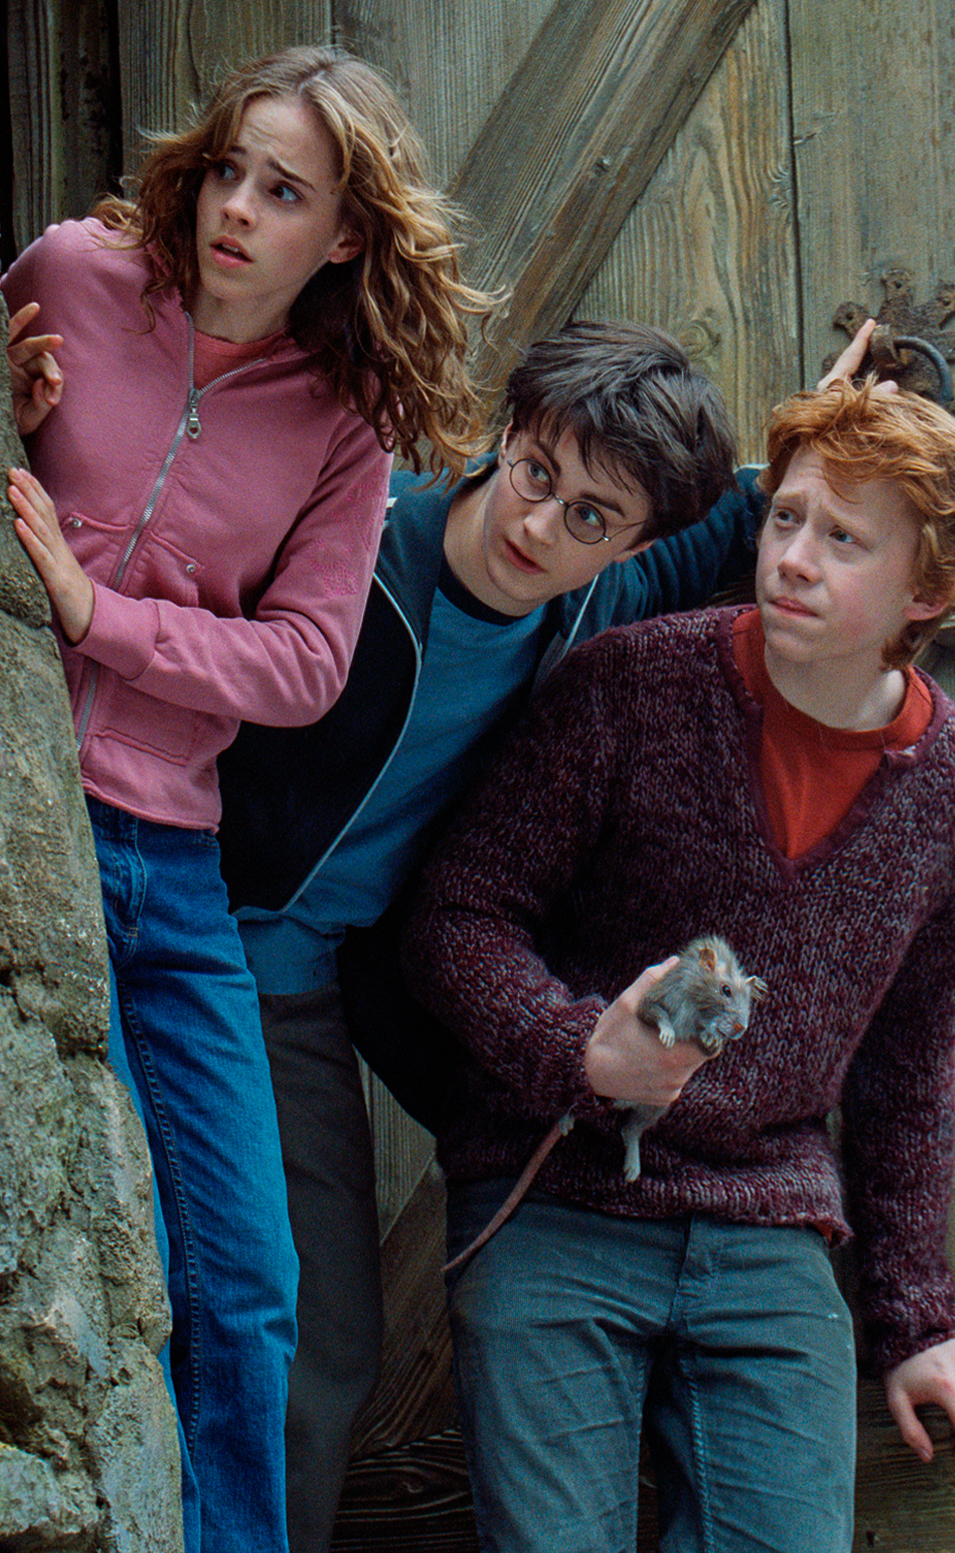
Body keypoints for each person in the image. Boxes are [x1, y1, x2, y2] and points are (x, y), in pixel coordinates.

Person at [401, 374, 955, 1552]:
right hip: (556, 1200)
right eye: (786, 516)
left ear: (927, 592)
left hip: (769, 1229)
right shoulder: (628, 687)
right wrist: (575, 1048)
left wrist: (917, 1316)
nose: (793, 554)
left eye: (844, 539)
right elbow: (457, 915)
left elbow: (908, 1072)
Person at [2, 43, 490, 1553]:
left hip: (171, 860)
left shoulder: (341, 423)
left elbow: (299, 667)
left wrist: (100, 612)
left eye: (285, 194)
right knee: (87, 1232)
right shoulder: (74, 274)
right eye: (230, 170)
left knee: (250, 1277)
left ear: (342, 235)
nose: (235, 212)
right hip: (31, 830)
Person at [215, 318, 767, 1553]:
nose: (541, 527)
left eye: (591, 518)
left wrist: (839, 442)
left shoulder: (600, 595)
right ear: (503, 436)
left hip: (315, 989)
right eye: (537, 476)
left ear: (632, 540)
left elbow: (741, 521)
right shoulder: (351, 547)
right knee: (255, 1312)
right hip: (200, 938)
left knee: (331, 1341)